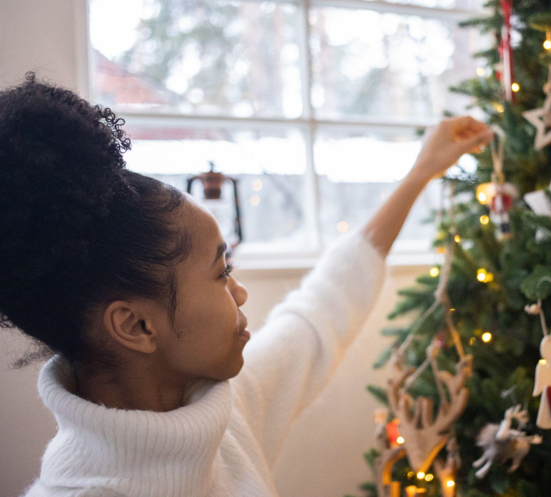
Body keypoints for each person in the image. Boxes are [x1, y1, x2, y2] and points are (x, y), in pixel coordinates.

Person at [0, 72, 493, 497]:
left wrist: (422, 172)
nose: (239, 294)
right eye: (221, 273)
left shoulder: (218, 412)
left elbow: (320, 313)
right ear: (135, 325)